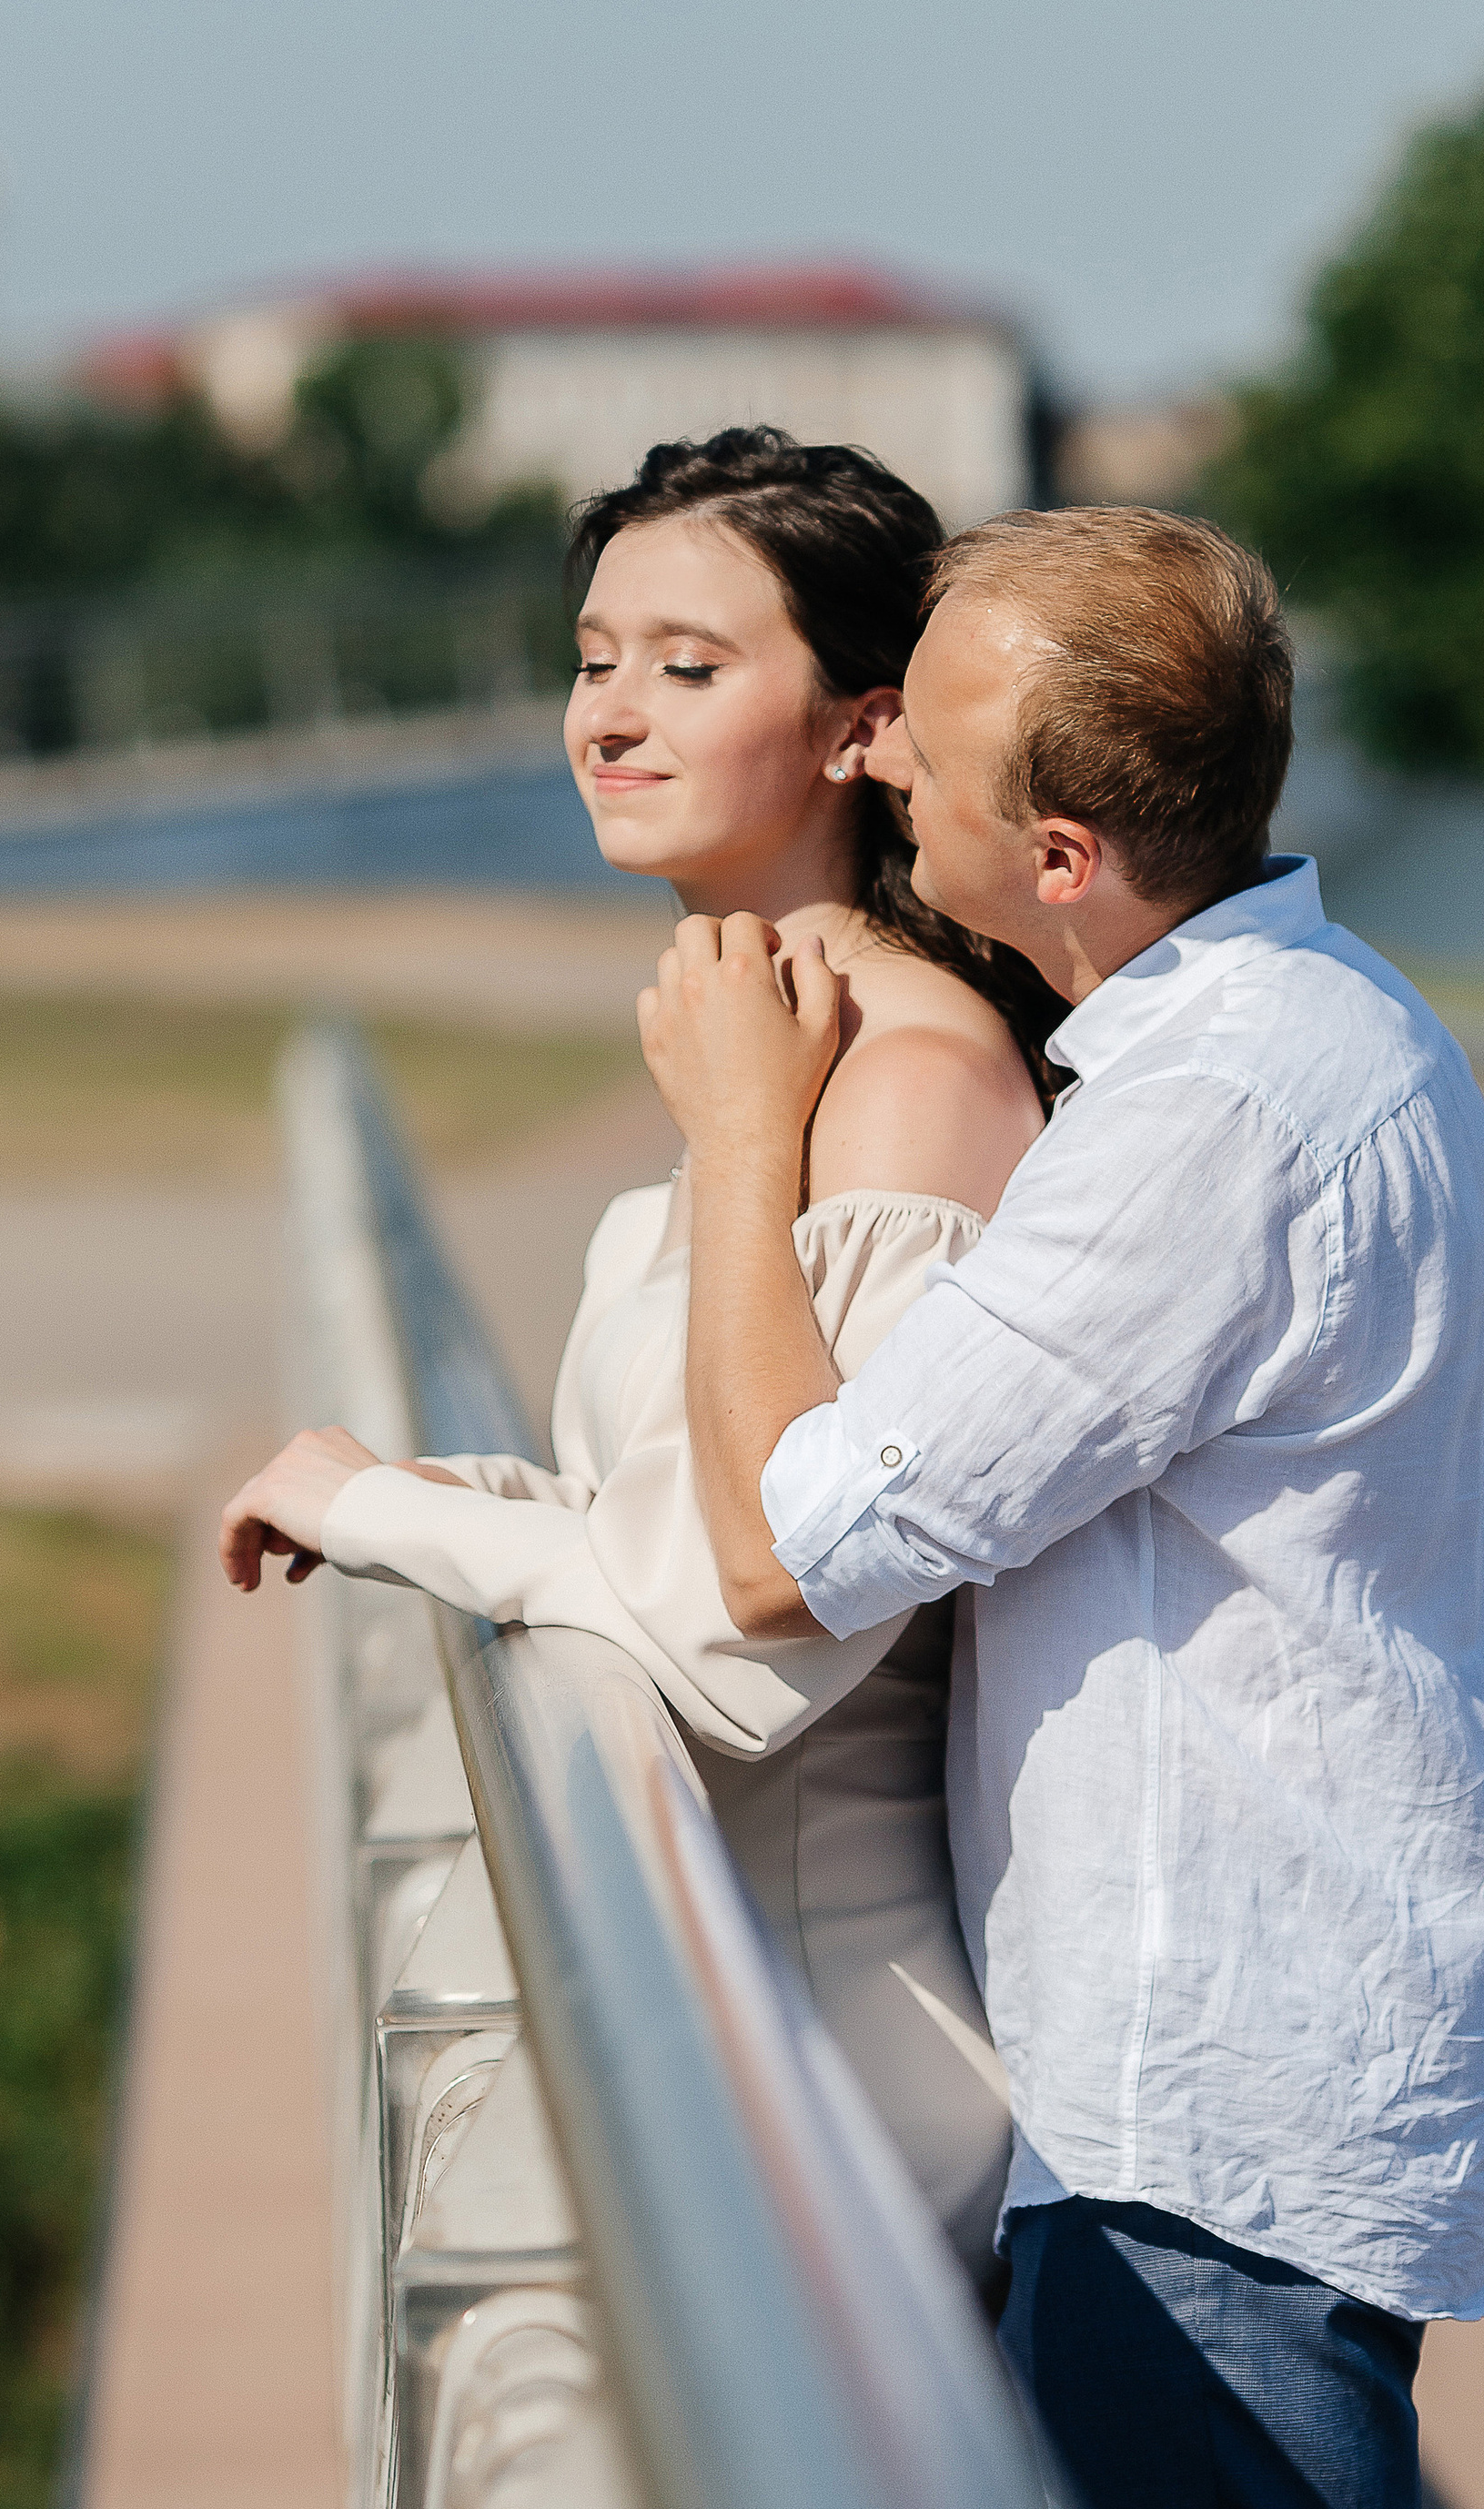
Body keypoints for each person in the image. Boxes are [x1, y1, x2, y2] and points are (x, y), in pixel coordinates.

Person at [634, 504, 1484, 2509]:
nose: (869, 774)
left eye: (919, 759)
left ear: (1059, 858)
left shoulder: (1205, 1119)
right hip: (1242, 2083)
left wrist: (743, 1132)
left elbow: (790, 1543)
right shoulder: (1308, 1023)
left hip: (1197, 2137)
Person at [220, 429, 1057, 2286]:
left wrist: (390, 1514)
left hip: (837, 2066)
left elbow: (748, 1634)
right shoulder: (756, 1041)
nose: (609, 714)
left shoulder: (907, 1082)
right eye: (593, 658)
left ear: (859, 729)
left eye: (688, 667)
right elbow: (676, 1501)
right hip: (729, 2011)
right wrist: (470, 1494)